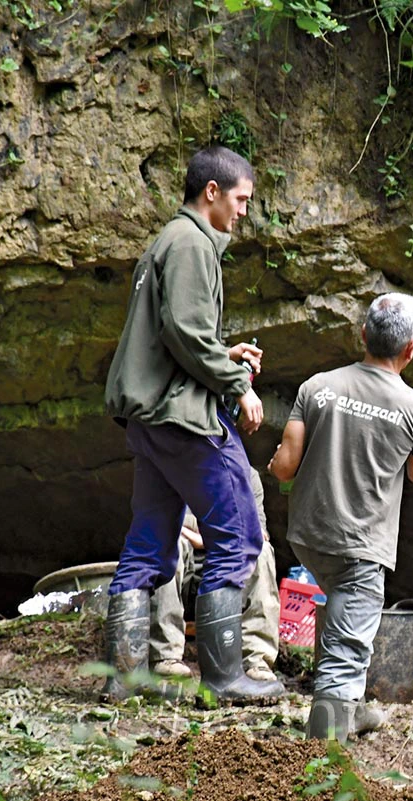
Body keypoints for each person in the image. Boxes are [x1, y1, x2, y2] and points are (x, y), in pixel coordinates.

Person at [102, 146, 283, 704]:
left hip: (151, 420)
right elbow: (184, 331)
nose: (245, 212)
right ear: (212, 192)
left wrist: (222, 354)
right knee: (239, 531)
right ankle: (227, 676)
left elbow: (173, 337)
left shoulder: (167, 242)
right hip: (182, 420)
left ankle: (124, 679)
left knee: (150, 541)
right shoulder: (190, 243)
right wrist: (238, 385)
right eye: (241, 199)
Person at [269, 293, 413, 742]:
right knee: (348, 643)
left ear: (363, 335)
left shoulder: (317, 386)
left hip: (309, 537)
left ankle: (349, 711)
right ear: (412, 350)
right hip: (360, 546)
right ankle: (327, 745)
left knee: (344, 612)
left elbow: (283, 466)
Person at [148, 466, 283, 690]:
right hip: (185, 575)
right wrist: (218, 533)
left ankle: (257, 662)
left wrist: (203, 535)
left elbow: (258, 534)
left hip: (231, 578)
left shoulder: (247, 475)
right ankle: (165, 657)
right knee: (167, 542)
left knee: (262, 551)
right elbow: (161, 523)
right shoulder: (173, 467)